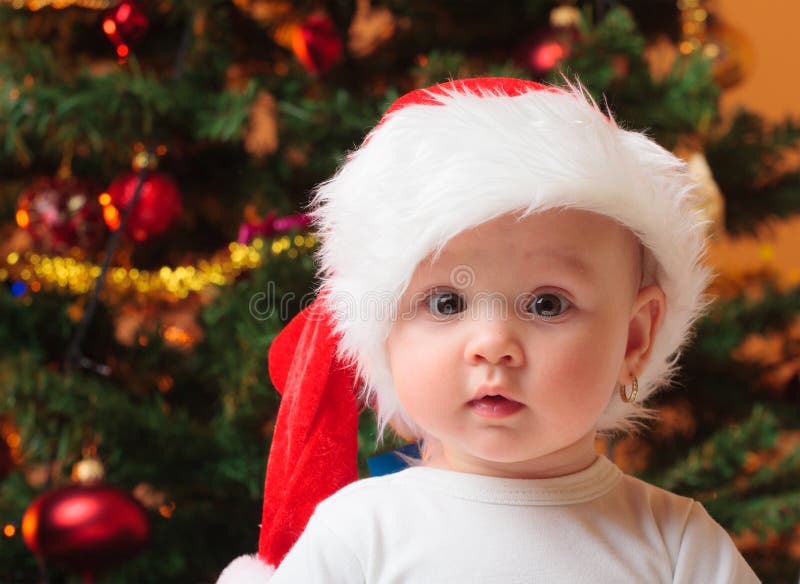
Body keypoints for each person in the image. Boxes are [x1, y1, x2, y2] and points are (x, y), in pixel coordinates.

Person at [218, 77, 760, 583]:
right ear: (385, 329)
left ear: (634, 338)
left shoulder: (678, 545)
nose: (493, 345)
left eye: (547, 304)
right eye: (447, 302)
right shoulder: (360, 533)